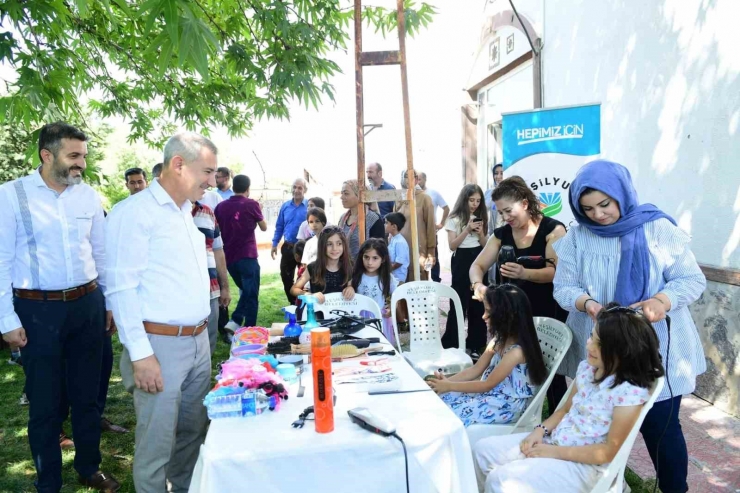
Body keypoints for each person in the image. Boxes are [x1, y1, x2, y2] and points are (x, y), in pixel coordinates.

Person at [553, 159, 706, 493]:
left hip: (655, 347)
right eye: (588, 208)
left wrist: (662, 301)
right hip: (601, 350)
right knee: (598, 424)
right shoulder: (578, 237)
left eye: (605, 204)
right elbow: (563, 288)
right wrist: (588, 304)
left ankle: (673, 489)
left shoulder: (658, 229)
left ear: (622, 194)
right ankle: (607, 483)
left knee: (662, 430)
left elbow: (692, 280)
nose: (598, 215)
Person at [0, 122, 120, 492]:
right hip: (38, 311)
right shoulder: (10, 195)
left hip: (87, 305)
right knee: (45, 402)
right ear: (46, 155)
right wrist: (6, 318)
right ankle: (48, 481)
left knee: (88, 395)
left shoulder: (86, 196)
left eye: (83, 156)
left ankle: (88, 466)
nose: (81, 164)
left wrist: (109, 302)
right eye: (73, 156)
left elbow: (101, 253)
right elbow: (1, 260)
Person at [106, 131, 218, 492]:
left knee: (192, 431)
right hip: (160, 347)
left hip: (198, 340)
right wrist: (141, 356)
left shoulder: (187, 212)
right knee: (156, 444)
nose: (213, 181)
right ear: (178, 164)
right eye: (208, 171)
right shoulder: (134, 213)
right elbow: (121, 288)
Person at [473, 303, 665, 493]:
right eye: (592, 337)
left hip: (586, 466)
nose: (589, 344)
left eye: (600, 344)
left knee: (502, 480)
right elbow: (565, 410)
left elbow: (608, 451)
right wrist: (540, 431)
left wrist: (553, 453)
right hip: (555, 441)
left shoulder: (628, 393)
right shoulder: (589, 369)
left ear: (623, 352)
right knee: (483, 450)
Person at [469, 176, 567, 410]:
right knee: (503, 363)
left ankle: (556, 421)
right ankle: (512, 410)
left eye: (508, 211)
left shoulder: (553, 230)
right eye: (501, 213)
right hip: (513, 313)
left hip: (547, 310)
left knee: (551, 373)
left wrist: (524, 272)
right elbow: (477, 266)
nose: (505, 218)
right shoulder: (501, 234)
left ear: (524, 203)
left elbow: (556, 272)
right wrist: (478, 286)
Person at [429, 284, 546, 427]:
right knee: (441, 399)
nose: (483, 316)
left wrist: (450, 385)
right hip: (491, 396)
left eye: (489, 312)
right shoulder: (498, 341)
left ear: (506, 316)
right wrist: (444, 383)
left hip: (506, 406)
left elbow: (487, 385)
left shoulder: (516, 353)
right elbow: (475, 370)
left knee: (450, 413)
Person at [214, 174, 267, 333]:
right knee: (251, 294)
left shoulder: (220, 207)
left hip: (228, 258)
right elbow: (263, 227)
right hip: (248, 256)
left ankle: (243, 328)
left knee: (246, 291)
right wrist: (259, 211)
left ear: (233, 186)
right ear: (248, 188)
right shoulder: (252, 204)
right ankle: (244, 325)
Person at [441, 184, 489, 354]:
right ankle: (452, 343)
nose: (475, 204)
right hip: (461, 259)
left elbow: (485, 246)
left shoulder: (482, 216)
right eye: (471, 200)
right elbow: (453, 246)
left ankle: (476, 343)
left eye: (478, 200)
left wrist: (481, 233)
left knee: (478, 302)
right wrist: (467, 229)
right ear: (464, 199)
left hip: (479, 257)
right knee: (458, 300)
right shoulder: (454, 219)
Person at [192, 200, 231, 354]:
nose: (209, 182)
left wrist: (225, 287)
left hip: (211, 289)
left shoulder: (207, 212)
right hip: (180, 293)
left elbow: (218, 251)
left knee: (209, 342)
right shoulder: (166, 212)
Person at [352, 238, 399, 345]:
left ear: (383, 259)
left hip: (380, 318)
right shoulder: (357, 276)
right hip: (360, 318)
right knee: (364, 346)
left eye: (375, 258)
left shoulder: (387, 278)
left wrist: (392, 308)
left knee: (381, 347)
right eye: (366, 257)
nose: (369, 262)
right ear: (361, 257)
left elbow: (396, 295)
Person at [290, 226, 355, 304]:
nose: (334, 248)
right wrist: (309, 295)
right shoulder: (313, 268)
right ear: (322, 246)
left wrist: (350, 288)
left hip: (342, 313)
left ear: (344, 245)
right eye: (329, 244)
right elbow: (293, 289)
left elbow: (350, 286)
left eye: (339, 243)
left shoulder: (348, 266)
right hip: (319, 313)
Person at [394, 170, 436, 281]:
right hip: (399, 250)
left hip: (418, 250)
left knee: (418, 283)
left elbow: (431, 227)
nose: (408, 179)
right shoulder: (399, 198)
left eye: (412, 176)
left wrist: (431, 253)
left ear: (417, 179)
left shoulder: (425, 198)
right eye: (405, 176)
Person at [271, 178, 308, 304]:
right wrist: (275, 243)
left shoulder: (309, 206)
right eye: (294, 187)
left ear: (305, 190)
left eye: (300, 188)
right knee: (285, 276)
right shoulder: (285, 206)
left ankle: (304, 303)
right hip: (288, 247)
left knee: (305, 277)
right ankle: (293, 303)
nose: (296, 190)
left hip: (305, 249)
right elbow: (279, 226)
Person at [338, 179, 385, 260]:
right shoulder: (342, 218)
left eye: (346, 193)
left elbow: (379, 250)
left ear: (359, 195)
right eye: (342, 193)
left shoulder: (373, 219)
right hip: (343, 268)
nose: (341, 197)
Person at [419, 172, 449, 283]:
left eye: (420, 179)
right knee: (422, 256)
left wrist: (441, 224)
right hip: (418, 233)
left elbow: (446, 208)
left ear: (425, 179)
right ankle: (424, 278)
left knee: (433, 254)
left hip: (431, 231)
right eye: (416, 179)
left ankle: (435, 280)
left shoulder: (433, 193)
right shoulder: (413, 194)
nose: (417, 181)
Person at [384, 212, 410, 284]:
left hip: (398, 278)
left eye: (386, 223)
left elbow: (399, 262)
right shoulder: (393, 238)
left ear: (394, 227)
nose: (384, 225)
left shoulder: (400, 242)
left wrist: (386, 270)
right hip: (392, 276)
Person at [484, 164, 506, 233]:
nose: (498, 176)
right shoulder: (488, 192)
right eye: (496, 173)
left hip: (506, 233)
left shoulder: (511, 193)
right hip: (491, 233)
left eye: (502, 173)